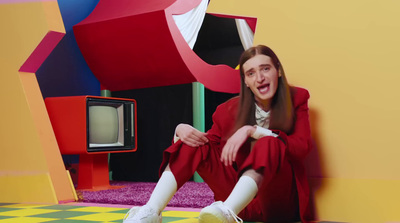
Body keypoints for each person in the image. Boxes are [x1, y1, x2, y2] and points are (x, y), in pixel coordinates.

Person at [123, 45, 312, 223]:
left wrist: (253, 131)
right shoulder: (227, 110)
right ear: (245, 81)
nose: (259, 78)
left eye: (265, 69)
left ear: (277, 71)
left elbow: (301, 147)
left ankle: (227, 211)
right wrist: (180, 130)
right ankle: (151, 211)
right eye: (251, 73)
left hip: (277, 205)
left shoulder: (297, 99)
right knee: (194, 142)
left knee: (269, 142)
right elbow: (207, 145)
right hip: (241, 206)